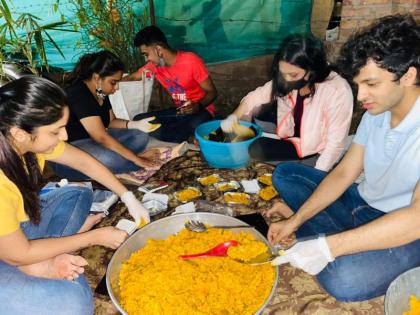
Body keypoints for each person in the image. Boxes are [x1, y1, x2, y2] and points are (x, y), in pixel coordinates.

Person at [265, 14, 420, 302]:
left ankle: (339, 240)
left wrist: (326, 248)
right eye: (358, 84)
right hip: (360, 203)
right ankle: (344, 237)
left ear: (408, 76)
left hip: (407, 229)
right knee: (286, 175)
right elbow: (343, 173)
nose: (361, 96)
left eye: (371, 84)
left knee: (344, 279)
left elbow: (415, 219)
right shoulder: (377, 112)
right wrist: (296, 221)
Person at [0, 76, 151, 314]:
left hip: (17, 230)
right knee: (73, 302)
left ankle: (42, 253)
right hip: (10, 250)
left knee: (78, 194)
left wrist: (127, 196)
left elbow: (84, 162)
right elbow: (18, 252)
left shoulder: (19, 142)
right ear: (19, 133)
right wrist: (91, 237)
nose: (65, 137)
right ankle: (33, 262)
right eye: (56, 131)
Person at [221, 34, 353, 171]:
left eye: (293, 75)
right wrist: (234, 116)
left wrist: (316, 174)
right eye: (283, 74)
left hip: (314, 150)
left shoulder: (337, 90)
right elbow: (255, 97)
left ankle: (302, 165)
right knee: (257, 119)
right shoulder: (288, 77)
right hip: (293, 135)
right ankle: (288, 162)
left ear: (311, 69)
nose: (286, 80)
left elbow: (335, 143)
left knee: (257, 148)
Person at [52, 51, 163, 180]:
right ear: (97, 78)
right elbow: (101, 137)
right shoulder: (79, 93)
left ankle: (125, 160)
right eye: (113, 82)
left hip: (94, 142)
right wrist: (136, 159)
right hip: (72, 148)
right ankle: (131, 161)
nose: (116, 88)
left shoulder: (101, 93)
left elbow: (111, 122)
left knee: (140, 135)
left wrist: (134, 124)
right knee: (108, 158)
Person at [123, 25, 218, 143]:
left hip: (202, 111)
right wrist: (112, 82)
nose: (146, 59)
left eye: (146, 54)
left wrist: (197, 106)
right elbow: (132, 77)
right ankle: (190, 136)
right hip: (180, 113)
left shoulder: (190, 61)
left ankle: (189, 133)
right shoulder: (153, 66)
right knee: (139, 120)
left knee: (194, 124)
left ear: (158, 49)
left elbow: (212, 92)